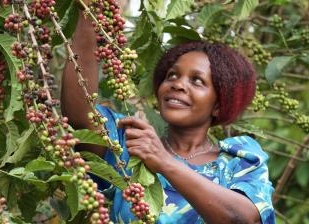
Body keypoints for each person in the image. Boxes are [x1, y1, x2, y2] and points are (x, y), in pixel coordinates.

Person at [61, 6, 275, 224]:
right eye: (172, 75)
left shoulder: (237, 160)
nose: (178, 84)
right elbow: (80, 116)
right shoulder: (132, 145)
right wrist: (87, 13)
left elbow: (243, 219)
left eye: (197, 81)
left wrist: (164, 162)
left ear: (219, 105)